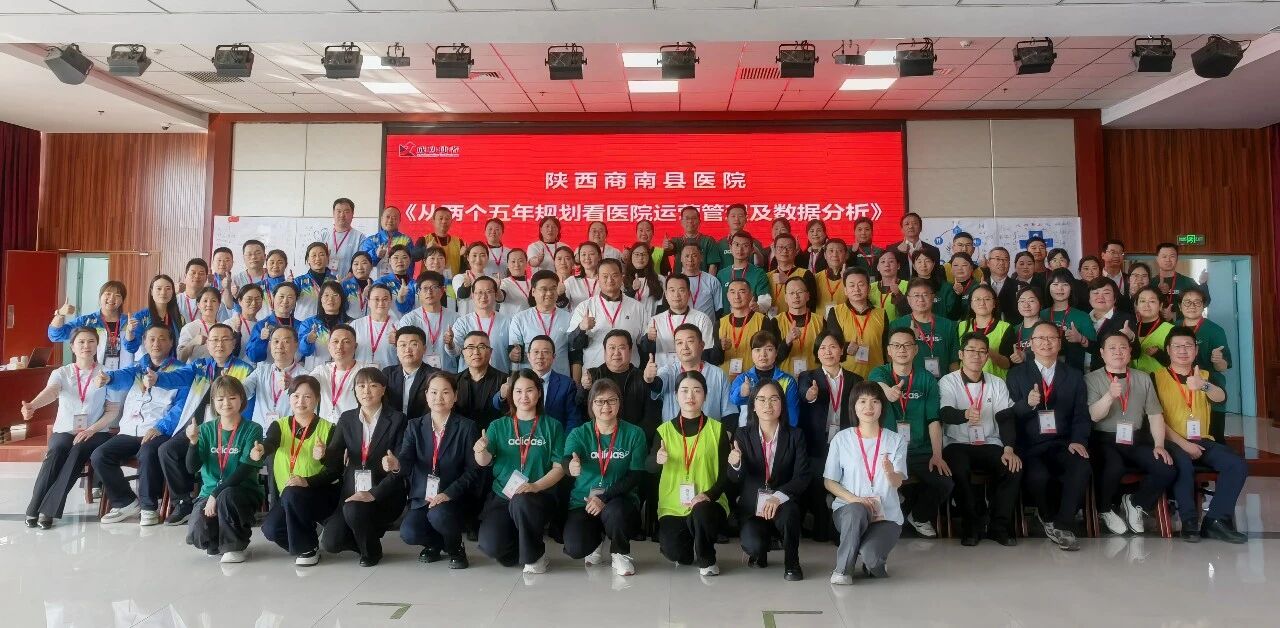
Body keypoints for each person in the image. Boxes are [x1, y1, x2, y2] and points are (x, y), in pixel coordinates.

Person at [151, 324, 256, 525]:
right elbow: (177, 376)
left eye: (225, 339)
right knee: (167, 450)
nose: (219, 344)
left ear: (234, 343)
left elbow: (247, 404)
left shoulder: (244, 369)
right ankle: (183, 502)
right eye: (214, 339)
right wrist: (157, 378)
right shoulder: (200, 366)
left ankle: (221, 499)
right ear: (207, 344)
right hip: (197, 429)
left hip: (226, 431)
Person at [1154, 327, 1248, 543]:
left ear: (1196, 350)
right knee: (1183, 464)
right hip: (1171, 441)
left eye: (1188, 346)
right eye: (1177, 346)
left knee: (1236, 464)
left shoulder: (1204, 375)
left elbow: (1221, 397)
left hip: (1202, 440)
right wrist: (1184, 444)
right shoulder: (1155, 377)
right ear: (1168, 350)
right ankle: (1189, 521)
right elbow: (1156, 419)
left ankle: (1215, 520)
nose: (1183, 350)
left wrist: (1203, 385)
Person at [1006, 321, 1091, 551]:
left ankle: (1063, 524)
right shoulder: (1016, 375)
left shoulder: (1074, 375)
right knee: (1038, 477)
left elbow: (1081, 415)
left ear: (1059, 343)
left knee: (1081, 466)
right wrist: (1027, 404)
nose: (1046, 343)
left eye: (1051, 338)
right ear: (1031, 344)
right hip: (1029, 445)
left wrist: (1078, 440)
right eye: (1040, 338)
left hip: (1063, 443)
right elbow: (1008, 415)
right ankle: (1047, 517)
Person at [92, 325, 187, 526]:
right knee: (100, 455)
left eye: (162, 339)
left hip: (158, 431)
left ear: (171, 342)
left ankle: (148, 507)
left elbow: (181, 408)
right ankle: (125, 502)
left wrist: (161, 427)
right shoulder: (138, 367)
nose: (156, 343)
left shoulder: (181, 371)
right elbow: (121, 376)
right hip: (129, 431)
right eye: (151, 339)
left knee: (147, 452)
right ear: (144, 342)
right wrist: (109, 378)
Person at [475, 369, 567, 573]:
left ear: (539, 393)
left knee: (522, 501)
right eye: (518, 391)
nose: (524, 396)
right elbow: (484, 461)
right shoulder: (498, 425)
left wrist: (535, 486)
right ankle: (522, 546)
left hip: (538, 495)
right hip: (503, 495)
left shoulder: (553, 426)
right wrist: (480, 451)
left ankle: (535, 556)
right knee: (492, 547)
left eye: (529, 390)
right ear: (511, 395)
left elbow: (559, 468)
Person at [1085, 332, 1176, 536]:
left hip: (1134, 438)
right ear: (1102, 353)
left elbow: (1155, 415)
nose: (1118, 352)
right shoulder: (1091, 379)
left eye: (1123, 347)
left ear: (1130, 351)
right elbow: (1093, 416)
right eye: (1112, 348)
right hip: (1104, 439)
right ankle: (1104, 509)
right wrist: (1109, 396)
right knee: (1113, 467)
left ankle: (1136, 502)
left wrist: (1159, 445)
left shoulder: (1143, 378)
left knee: (1165, 468)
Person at [19, 327, 111, 529]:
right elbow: (51, 392)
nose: (86, 346)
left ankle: (48, 510)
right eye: (81, 342)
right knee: (57, 449)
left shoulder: (107, 373)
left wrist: (91, 430)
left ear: (97, 345)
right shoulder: (61, 373)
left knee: (78, 449)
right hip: (65, 429)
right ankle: (34, 506)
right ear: (72, 347)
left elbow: (113, 410)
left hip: (96, 431)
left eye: (91, 341)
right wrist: (33, 405)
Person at [317, 367, 408, 566]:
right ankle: (368, 541)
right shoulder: (347, 419)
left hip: (384, 492)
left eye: (373, 385)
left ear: (383, 389)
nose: (366, 391)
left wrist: (393, 467)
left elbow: (402, 464)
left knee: (354, 509)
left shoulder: (398, 419)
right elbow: (334, 460)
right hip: (352, 491)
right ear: (355, 391)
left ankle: (370, 553)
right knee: (331, 542)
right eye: (361, 386)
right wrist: (324, 455)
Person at [390, 371, 482, 568]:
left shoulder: (467, 427)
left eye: (445, 392)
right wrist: (396, 465)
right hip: (423, 495)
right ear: (426, 395)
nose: (439, 397)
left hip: (453, 496)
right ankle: (436, 544)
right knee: (409, 533)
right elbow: (406, 459)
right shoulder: (414, 426)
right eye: (433, 392)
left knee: (438, 515)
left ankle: (456, 548)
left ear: (455, 396)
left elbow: (473, 470)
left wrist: (448, 494)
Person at [937, 333, 1021, 546]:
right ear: (961, 354)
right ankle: (971, 526)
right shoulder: (948, 381)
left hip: (989, 442)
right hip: (957, 443)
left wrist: (1008, 449)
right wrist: (964, 414)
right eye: (971, 351)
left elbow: (1005, 417)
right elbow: (945, 413)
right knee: (958, 468)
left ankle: (999, 527)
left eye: (982, 351)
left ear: (987, 356)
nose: (976, 355)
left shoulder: (997, 383)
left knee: (1012, 467)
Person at [868, 328, 950, 538]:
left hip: (919, 450)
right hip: (887, 452)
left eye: (907, 345)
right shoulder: (881, 373)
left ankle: (919, 516)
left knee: (944, 482)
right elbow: (875, 382)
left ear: (915, 350)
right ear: (889, 350)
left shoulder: (927, 379)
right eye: (896, 345)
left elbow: (933, 420)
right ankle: (882, 521)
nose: (902, 350)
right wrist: (887, 391)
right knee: (875, 481)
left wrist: (937, 454)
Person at [824, 381, 908, 585]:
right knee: (856, 510)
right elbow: (829, 482)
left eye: (875, 401)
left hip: (886, 515)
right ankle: (843, 571)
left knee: (872, 560)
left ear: (882, 406)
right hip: (849, 510)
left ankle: (872, 558)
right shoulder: (841, 439)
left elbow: (898, 481)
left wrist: (890, 473)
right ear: (854, 406)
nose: (869, 407)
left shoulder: (895, 440)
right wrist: (856, 500)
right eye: (862, 401)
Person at [648, 371, 731, 577]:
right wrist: (657, 460)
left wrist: (708, 495)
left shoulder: (718, 430)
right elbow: (649, 467)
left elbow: (726, 474)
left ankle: (707, 558)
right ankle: (687, 543)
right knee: (677, 554)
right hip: (673, 505)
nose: (690, 396)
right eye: (684, 391)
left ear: (705, 395)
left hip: (709, 501)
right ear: (676, 395)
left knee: (701, 512)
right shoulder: (664, 431)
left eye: (697, 391)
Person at [562, 379, 648, 576]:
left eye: (611, 400)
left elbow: (635, 475)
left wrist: (604, 497)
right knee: (576, 548)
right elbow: (567, 459)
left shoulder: (635, 434)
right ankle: (595, 540)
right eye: (600, 401)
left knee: (616, 512)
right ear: (591, 404)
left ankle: (620, 552)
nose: (606, 406)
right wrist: (571, 466)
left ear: (619, 402)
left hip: (620, 499)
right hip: (584, 500)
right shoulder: (579, 433)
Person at [729, 380, 812, 580]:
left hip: (783, 503)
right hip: (753, 508)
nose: (768, 405)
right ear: (753, 406)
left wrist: (778, 496)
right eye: (761, 399)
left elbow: (802, 476)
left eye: (774, 399)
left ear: (782, 404)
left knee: (790, 514)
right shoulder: (742, 434)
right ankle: (760, 551)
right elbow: (734, 478)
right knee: (753, 545)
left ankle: (792, 563)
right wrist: (735, 464)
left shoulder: (795, 435)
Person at [183, 376, 265, 563]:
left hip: (241, 491)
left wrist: (216, 494)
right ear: (213, 401)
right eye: (220, 399)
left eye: (232, 398)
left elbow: (245, 469)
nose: (226, 403)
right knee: (198, 535)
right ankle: (217, 540)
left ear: (241, 399)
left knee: (227, 496)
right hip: (209, 493)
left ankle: (235, 545)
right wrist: (193, 443)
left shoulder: (253, 429)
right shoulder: (205, 429)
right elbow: (191, 467)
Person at [260, 375, 338, 566]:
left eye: (307, 397)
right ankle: (307, 538)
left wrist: (322, 459)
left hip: (318, 493)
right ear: (289, 398)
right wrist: (261, 449)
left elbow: (335, 470)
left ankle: (308, 549)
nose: (300, 401)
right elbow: (270, 442)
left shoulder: (329, 428)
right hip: (288, 495)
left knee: (294, 493)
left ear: (317, 399)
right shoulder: (279, 425)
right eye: (296, 396)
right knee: (271, 529)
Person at [797, 331, 861, 542]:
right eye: (822, 348)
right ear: (817, 353)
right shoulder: (808, 377)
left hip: (845, 442)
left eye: (833, 347)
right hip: (817, 441)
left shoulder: (855, 379)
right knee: (817, 483)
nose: (828, 352)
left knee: (842, 483)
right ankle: (820, 525)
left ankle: (838, 527)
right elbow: (804, 395)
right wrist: (811, 395)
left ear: (841, 350)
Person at [568, 258, 651, 370]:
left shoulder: (638, 308)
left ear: (622, 277)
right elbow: (573, 344)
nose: (610, 280)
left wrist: (651, 338)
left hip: (629, 374)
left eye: (614, 275)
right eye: (605, 276)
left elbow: (645, 345)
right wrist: (581, 328)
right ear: (598, 278)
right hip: (595, 372)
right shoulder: (585, 307)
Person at [1176, 286, 1232, 443]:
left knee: (1214, 439)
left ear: (1203, 305)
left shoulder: (1215, 330)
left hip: (1210, 390)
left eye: (1197, 302)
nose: (1192, 306)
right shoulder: (1173, 327)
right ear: (1180, 306)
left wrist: (1218, 360)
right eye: (1187, 302)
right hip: (1181, 392)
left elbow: (1223, 367)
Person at [577, 330, 657, 436]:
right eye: (612, 348)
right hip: (598, 439)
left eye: (621, 348)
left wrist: (637, 438)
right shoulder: (592, 376)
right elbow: (579, 408)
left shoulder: (643, 377)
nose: (616, 353)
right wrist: (584, 389)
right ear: (604, 351)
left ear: (630, 351)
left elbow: (651, 416)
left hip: (634, 438)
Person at [496, 336, 582, 430]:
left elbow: (573, 420)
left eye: (545, 352)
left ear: (553, 357)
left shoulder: (567, 384)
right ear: (528, 356)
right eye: (536, 352)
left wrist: (563, 439)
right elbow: (496, 404)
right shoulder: (518, 378)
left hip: (554, 435)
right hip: (521, 434)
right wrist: (502, 395)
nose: (540, 356)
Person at [651, 324, 734, 422]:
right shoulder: (668, 371)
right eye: (679, 343)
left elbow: (730, 413)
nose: (685, 347)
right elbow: (657, 385)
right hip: (673, 431)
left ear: (702, 345)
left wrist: (724, 432)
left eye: (690, 341)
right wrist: (649, 379)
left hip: (710, 431)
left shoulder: (718, 374)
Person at [642, 273, 718, 372]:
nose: (676, 295)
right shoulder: (655, 320)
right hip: (663, 374)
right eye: (672, 290)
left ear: (689, 294)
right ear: (666, 294)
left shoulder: (702, 319)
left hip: (693, 375)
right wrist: (648, 339)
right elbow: (645, 350)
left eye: (681, 290)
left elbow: (707, 352)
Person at [48, 280, 130, 371]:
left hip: (125, 375)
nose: (111, 298)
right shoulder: (87, 322)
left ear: (122, 300)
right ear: (100, 296)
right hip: (94, 375)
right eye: (108, 294)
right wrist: (60, 314)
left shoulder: (130, 322)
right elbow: (55, 335)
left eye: (117, 295)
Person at [727, 331, 801, 431]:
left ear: (776, 353)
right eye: (757, 350)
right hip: (748, 433)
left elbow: (792, 413)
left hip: (779, 433)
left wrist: (786, 435)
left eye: (769, 349)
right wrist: (742, 393)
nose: (763, 354)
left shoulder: (788, 380)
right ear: (751, 353)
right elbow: (733, 400)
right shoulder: (742, 378)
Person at [886, 278, 958, 379]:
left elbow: (953, 362)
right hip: (909, 384)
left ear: (933, 297)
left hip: (942, 383)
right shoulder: (897, 325)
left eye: (925, 295)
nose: (921, 299)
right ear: (908, 299)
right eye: (916, 295)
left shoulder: (948, 325)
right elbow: (890, 359)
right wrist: (910, 338)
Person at [508, 270, 573, 377]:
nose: (549, 293)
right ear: (533, 292)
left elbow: (575, 354)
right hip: (529, 380)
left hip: (560, 379)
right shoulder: (520, 319)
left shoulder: (569, 318)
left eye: (553, 288)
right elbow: (515, 354)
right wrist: (514, 355)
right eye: (544, 289)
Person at [446, 276, 515, 373]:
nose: (483, 296)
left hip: (500, 377)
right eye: (479, 292)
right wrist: (450, 344)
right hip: (469, 378)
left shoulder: (508, 322)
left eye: (488, 292)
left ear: (495, 294)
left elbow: (514, 352)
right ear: (473, 295)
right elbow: (455, 353)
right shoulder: (463, 322)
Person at [825, 268, 886, 378]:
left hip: (877, 376)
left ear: (869, 288)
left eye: (861, 285)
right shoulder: (835, 312)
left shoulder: (881, 314)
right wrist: (846, 347)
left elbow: (885, 347)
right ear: (845, 290)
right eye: (852, 285)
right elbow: (833, 344)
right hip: (847, 376)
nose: (856, 289)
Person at [717, 278, 781, 381]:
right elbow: (713, 359)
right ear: (727, 296)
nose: (737, 296)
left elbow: (772, 354)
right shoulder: (719, 323)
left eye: (742, 292)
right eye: (732, 292)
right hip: (725, 381)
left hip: (755, 380)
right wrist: (719, 347)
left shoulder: (763, 321)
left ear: (751, 295)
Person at [244, 326, 305, 428]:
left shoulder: (305, 375)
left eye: (286, 341)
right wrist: (230, 383)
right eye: (276, 341)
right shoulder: (261, 371)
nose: (280, 346)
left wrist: (293, 387)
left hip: (289, 433)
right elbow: (244, 390)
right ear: (270, 345)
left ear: (296, 345)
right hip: (260, 433)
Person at [309, 324, 373, 421]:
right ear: (329, 346)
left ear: (355, 346)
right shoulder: (322, 371)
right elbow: (307, 383)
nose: (339, 346)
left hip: (354, 427)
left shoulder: (367, 371)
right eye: (335, 341)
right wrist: (293, 382)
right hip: (326, 428)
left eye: (346, 342)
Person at [398, 271, 458, 372]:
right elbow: (403, 351)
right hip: (418, 374)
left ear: (442, 290)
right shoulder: (409, 319)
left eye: (434, 287)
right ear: (418, 292)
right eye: (425, 288)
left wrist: (450, 344)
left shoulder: (455, 318)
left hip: (447, 374)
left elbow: (457, 353)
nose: (429, 292)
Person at [1042, 269, 1096, 371]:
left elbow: (1095, 348)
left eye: (1065, 284)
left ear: (1071, 288)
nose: (1060, 288)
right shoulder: (1041, 315)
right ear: (1048, 287)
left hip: (1073, 372)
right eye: (1055, 284)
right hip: (1043, 372)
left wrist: (1080, 339)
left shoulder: (1082, 316)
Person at [455, 331, 509, 430]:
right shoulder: (454, 381)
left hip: (493, 436)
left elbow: (508, 415)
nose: (476, 352)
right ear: (463, 352)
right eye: (470, 347)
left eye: (482, 347)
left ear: (490, 351)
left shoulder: (504, 381)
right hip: (462, 436)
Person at [123, 274, 184, 360]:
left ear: (173, 292)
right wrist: (129, 332)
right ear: (151, 291)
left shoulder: (179, 318)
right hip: (148, 365)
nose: (163, 292)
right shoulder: (141, 317)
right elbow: (131, 348)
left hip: (172, 365)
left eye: (168, 288)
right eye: (159, 288)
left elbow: (182, 345)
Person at [956, 284, 1011, 377]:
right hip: (965, 381)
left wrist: (988, 352)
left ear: (994, 303)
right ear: (971, 304)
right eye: (977, 299)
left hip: (994, 382)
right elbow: (955, 360)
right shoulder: (961, 326)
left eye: (987, 299)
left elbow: (1007, 364)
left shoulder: (1005, 328)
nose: (982, 303)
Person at [298, 280, 353, 369]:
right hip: (315, 372)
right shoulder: (309, 323)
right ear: (321, 299)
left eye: (335, 295)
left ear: (342, 299)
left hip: (343, 371)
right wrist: (308, 340)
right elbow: (304, 351)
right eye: (326, 295)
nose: (330, 299)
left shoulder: (351, 324)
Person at [1085, 278, 1137, 372]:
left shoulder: (1125, 319)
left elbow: (1136, 353)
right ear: (1089, 298)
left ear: (1115, 298)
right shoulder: (1082, 317)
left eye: (1106, 293)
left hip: (1109, 375)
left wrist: (1131, 337)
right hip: (1078, 373)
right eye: (1096, 293)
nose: (1100, 297)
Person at [776, 276, 824, 376]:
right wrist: (787, 341)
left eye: (800, 292)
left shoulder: (820, 321)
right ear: (785, 298)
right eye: (791, 293)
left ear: (808, 296)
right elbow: (773, 358)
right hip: (785, 378)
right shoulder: (775, 321)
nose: (796, 296)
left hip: (814, 378)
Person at [383, 325, 434, 420]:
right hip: (393, 426)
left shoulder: (433, 376)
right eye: (403, 345)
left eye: (414, 344)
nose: (407, 350)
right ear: (396, 350)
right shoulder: (387, 374)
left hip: (422, 426)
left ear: (424, 349)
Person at [245, 282, 299, 363]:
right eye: (281, 296)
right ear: (273, 298)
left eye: (290, 297)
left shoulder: (301, 325)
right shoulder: (261, 325)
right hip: (270, 369)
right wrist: (261, 339)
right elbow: (253, 357)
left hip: (294, 369)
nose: (285, 301)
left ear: (295, 301)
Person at [716, 230, 772, 309]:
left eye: (745, 245)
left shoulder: (759, 273)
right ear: (730, 248)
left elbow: (765, 301)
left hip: (750, 315)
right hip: (726, 316)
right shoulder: (722, 274)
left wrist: (758, 307)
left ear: (752, 249)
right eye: (737, 245)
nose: (740, 249)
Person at [360, 205, 419, 279]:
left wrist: (406, 281)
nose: (390, 220)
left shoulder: (406, 240)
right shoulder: (370, 240)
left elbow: (410, 265)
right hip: (375, 283)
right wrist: (376, 254)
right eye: (387, 217)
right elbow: (363, 263)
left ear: (399, 221)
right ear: (381, 219)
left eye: (394, 218)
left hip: (398, 283)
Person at [766, 234, 818, 317]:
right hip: (771, 321)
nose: (784, 251)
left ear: (796, 251)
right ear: (774, 251)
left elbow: (812, 303)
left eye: (789, 247)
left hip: (796, 321)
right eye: (780, 247)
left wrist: (788, 280)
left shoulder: (806, 274)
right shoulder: (767, 276)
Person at [663, 206, 723, 275]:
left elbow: (713, 266)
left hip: (701, 280)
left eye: (694, 218)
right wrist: (667, 246)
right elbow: (671, 248)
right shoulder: (676, 241)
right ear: (681, 222)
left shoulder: (708, 241)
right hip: (680, 280)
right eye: (687, 218)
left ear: (699, 221)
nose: (690, 221)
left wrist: (709, 280)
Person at [674, 242, 724, 323]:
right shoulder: (675, 281)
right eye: (687, 256)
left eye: (694, 255)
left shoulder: (712, 281)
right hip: (682, 328)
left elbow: (719, 310)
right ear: (681, 259)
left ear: (701, 258)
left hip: (706, 327)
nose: (690, 260)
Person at [1154, 242, 1207, 317]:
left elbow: (1205, 302)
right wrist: (1157, 291)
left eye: (1172, 256)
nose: (1168, 260)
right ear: (1157, 259)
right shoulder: (1151, 282)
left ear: (1177, 259)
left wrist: (1202, 284)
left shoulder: (1188, 281)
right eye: (1164, 256)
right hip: (1155, 324)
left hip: (1182, 323)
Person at [352, 284, 399, 367]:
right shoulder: (356, 325)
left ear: (390, 302)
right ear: (369, 302)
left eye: (385, 299)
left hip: (388, 373)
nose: (381, 303)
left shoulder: (399, 326)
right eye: (376, 299)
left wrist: (399, 343)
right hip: (360, 373)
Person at [1000, 285, 1044, 373]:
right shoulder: (1012, 330)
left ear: (1040, 304)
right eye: (1022, 301)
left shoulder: (1048, 329)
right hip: (1018, 376)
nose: (1026, 305)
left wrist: (1025, 356)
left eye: (1031, 301)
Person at [1130, 286, 1173, 374]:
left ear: (1160, 306)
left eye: (1152, 301)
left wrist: (1158, 354)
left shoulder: (1171, 330)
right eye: (1142, 301)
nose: (1146, 305)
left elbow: (1179, 362)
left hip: (1160, 380)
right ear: (1137, 306)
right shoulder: (1131, 329)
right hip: (1135, 380)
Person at [293, 242, 337, 321]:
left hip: (327, 325)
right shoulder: (298, 281)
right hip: (304, 325)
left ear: (327, 258)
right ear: (308, 260)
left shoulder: (335, 281)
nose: (317, 259)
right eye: (313, 255)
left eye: (321, 255)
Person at [886, 212, 939, 278]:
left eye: (914, 223)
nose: (910, 226)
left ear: (921, 228)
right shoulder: (891, 249)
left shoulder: (933, 250)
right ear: (902, 230)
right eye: (907, 224)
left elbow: (937, 276)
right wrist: (898, 251)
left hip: (925, 284)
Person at [177, 287, 223, 362]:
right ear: (198, 305)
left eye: (213, 301)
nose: (209, 304)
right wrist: (193, 342)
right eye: (205, 301)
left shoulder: (223, 328)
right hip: (196, 369)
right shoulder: (189, 328)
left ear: (219, 305)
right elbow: (180, 358)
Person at [910, 250, 958, 319]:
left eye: (927, 261)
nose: (923, 265)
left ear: (933, 264)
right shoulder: (909, 287)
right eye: (919, 262)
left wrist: (958, 295)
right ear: (914, 266)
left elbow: (953, 314)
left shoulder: (946, 287)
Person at [326, 198, 365, 279]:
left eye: (346, 212)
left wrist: (346, 280)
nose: (342, 215)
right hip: (325, 283)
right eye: (339, 211)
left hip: (349, 282)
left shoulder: (360, 237)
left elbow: (361, 262)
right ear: (333, 213)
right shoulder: (324, 236)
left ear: (352, 214)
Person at [375, 245, 419, 317]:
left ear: (410, 260)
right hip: (388, 322)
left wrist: (401, 299)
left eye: (404, 257)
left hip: (410, 322)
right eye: (396, 257)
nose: (400, 261)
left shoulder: (415, 284)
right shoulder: (381, 283)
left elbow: (409, 309)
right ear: (389, 261)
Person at [453, 242, 494, 317]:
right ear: (468, 258)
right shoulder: (460, 278)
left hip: (488, 320)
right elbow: (462, 295)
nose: (478, 260)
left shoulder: (492, 280)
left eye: (482, 255)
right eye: (474, 255)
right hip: (466, 321)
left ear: (487, 258)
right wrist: (466, 286)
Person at [624, 241, 664, 314]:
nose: (640, 257)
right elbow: (620, 304)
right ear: (631, 256)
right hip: (630, 319)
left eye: (644, 254)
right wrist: (632, 290)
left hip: (651, 319)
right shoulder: (622, 279)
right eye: (637, 254)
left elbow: (661, 304)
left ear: (649, 257)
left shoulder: (659, 279)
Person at [422, 206, 464, 274]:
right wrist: (425, 248)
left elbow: (463, 267)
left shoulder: (459, 242)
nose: (444, 221)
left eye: (447, 219)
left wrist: (464, 256)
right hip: (429, 279)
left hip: (452, 280)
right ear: (433, 221)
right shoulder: (424, 239)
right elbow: (414, 256)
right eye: (440, 218)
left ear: (451, 221)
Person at [870, 250, 909, 322]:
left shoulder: (907, 286)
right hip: (876, 327)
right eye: (883, 262)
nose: (887, 265)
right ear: (878, 267)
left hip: (899, 328)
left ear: (898, 265)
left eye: (891, 261)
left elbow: (909, 312)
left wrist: (898, 294)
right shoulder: (870, 288)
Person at [813, 238, 849, 316]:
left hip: (845, 320)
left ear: (846, 255)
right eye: (831, 251)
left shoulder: (852, 278)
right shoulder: (816, 278)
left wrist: (847, 280)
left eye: (839, 251)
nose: (835, 255)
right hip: (820, 321)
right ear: (825, 255)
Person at [174, 258, 212, 325]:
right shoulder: (175, 300)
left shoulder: (211, 302)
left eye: (201, 273)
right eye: (193, 273)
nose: (197, 276)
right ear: (185, 276)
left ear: (206, 278)